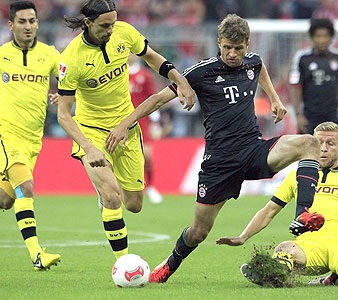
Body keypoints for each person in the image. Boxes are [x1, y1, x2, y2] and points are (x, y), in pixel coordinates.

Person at [106, 14, 325, 283]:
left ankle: (303, 213)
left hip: (253, 149)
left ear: (247, 44)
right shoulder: (200, 72)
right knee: (198, 232)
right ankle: (170, 264)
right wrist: (125, 124)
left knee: (310, 143)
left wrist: (275, 99)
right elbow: (157, 100)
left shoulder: (252, 62)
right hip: (219, 162)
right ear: (218, 42)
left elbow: (260, 67)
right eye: (227, 48)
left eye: (239, 48)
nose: (233, 54)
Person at [57, 0, 195, 260]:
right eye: (105, 25)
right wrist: (87, 146)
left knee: (134, 205)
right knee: (111, 196)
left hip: (127, 127)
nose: (111, 29)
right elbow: (63, 115)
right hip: (92, 132)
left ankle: (107, 197)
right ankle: (123, 262)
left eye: (113, 23)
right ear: (87, 23)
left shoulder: (124, 32)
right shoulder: (71, 58)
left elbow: (152, 58)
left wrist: (180, 79)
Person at [217, 121, 338, 287]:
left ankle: (331, 280)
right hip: (309, 246)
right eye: (319, 143)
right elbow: (269, 211)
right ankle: (273, 275)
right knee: (284, 250)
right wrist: (243, 237)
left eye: (330, 144)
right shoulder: (296, 176)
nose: (323, 148)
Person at [0, 1, 61, 270]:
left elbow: (74, 78)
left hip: (33, 140)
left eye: (32, 21)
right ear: (11, 24)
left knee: (5, 200)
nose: (28, 26)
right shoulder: (1, 55)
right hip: (6, 135)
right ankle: (37, 254)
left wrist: (66, 94)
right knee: (26, 188)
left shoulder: (49, 55)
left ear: (38, 23)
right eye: (22, 22)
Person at [290, 18, 338, 170]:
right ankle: (306, 191)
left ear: (331, 37)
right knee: (307, 158)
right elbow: (296, 87)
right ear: (312, 37)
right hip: (310, 117)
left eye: (325, 36)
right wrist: (298, 114)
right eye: (318, 36)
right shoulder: (302, 58)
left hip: (333, 115)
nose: (322, 40)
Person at [128, 54, 162, 204]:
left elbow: (152, 98)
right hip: (120, 121)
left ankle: (151, 187)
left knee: (147, 156)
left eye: (132, 52)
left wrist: (156, 122)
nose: (129, 55)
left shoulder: (145, 75)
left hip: (141, 121)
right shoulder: (117, 74)